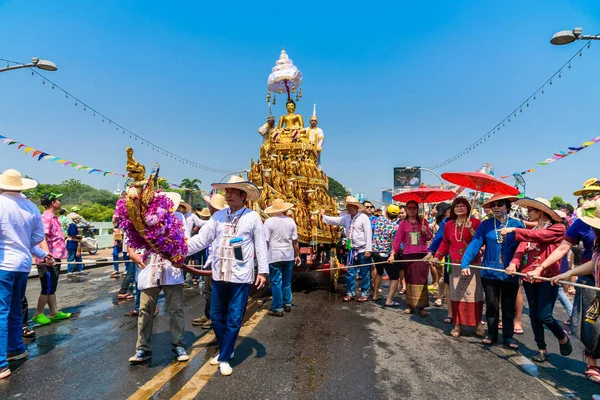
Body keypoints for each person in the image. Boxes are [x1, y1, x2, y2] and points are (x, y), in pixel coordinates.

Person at [186, 176, 268, 376]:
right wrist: (178, 251)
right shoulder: (218, 217)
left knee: (233, 318)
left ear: (243, 196)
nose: (228, 195)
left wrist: (263, 271)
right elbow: (201, 241)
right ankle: (227, 349)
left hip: (240, 277)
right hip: (219, 274)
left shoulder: (252, 217)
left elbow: (261, 245)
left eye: (232, 192)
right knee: (215, 316)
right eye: (226, 191)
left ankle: (223, 357)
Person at [501, 198, 571, 362]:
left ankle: (562, 337)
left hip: (548, 278)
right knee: (533, 315)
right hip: (528, 277)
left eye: (531, 210)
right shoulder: (528, 231)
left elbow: (540, 235)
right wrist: (513, 263)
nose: (528, 213)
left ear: (540, 212)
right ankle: (541, 348)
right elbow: (521, 249)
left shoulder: (558, 228)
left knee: (544, 315)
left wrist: (514, 229)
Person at [541, 179, 599, 374]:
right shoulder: (582, 223)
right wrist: (543, 267)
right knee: (591, 326)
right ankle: (592, 361)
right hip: (590, 280)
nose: (589, 199)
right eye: (586, 196)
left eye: (594, 194)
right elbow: (564, 249)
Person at [0, 169, 53, 379]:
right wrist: (43, 254)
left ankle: (1, 363)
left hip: (3, 264)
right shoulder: (30, 207)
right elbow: (34, 239)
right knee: (13, 308)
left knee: (2, 310)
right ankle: (16, 348)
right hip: (22, 265)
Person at [128, 192, 189, 364]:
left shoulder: (178, 217)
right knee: (145, 310)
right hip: (149, 268)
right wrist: (134, 255)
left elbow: (185, 241)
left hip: (171, 270)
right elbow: (130, 243)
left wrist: (177, 256)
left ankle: (178, 345)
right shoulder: (141, 218)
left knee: (176, 309)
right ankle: (142, 349)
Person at [461, 194, 524, 349]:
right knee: (491, 305)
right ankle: (492, 334)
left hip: (510, 273)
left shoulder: (517, 224)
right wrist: (465, 263)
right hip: (489, 272)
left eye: (499, 204)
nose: (496, 207)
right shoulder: (486, 225)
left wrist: (519, 266)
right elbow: (475, 244)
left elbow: (523, 248)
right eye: (493, 205)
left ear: (507, 207)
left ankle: (508, 337)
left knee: (508, 306)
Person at [432, 197, 484, 337]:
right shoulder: (449, 225)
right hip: (455, 264)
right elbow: (444, 244)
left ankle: (478, 324)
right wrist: (437, 256)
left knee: (475, 296)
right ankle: (457, 325)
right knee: (456, 295)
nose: (460, 207)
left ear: (468, 208)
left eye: (463, 205)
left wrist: (471, 230)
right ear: (453, 209)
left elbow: (480, 242)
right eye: (457, 206)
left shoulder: (476, 222)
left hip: (473, 265)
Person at [321, 196, 373, 303]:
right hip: (351, 249)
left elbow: (368, 234)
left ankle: (365, 293)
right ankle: (350, 293)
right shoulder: (346, 218)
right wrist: (323, 216)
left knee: (365, 272)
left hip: (362, 249)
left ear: (356, 207)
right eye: (347, 206)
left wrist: (368, 249)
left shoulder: (364, 218)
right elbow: (334, 220)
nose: (348, 208)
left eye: (350, 206)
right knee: (350, 272)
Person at [32, 193, 72, 325]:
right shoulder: (46, 218)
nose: (60, 202)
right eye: (58, 200)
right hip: (48, 259)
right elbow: (41, 237)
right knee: (47, 287)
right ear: (53, 203)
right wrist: (47, 254)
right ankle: (38, 313)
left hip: (55, 257)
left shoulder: (54, 218)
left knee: (52, 286)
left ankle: (54, 311)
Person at [390, 200, 432, 315]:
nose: (412, 210)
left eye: (414, 208)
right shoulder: (403, 223)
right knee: (410, 279)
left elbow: (429, 237)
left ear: (418, 209)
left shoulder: (424, 222)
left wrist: (425, 232)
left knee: (422, 281)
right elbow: (398, 240)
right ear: (407, 210)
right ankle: (410, 305)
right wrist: (393, 253)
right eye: (409, 208)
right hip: (408, 255)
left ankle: (422, 307)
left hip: (422, 255)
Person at [192, 194, 227, 329]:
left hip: (217, 263)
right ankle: (208, 315)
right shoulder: (213, 221)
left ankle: (215, 318)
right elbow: (201, 240)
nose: (209, 208)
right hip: (210, 262)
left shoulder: (221, 221)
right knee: (208, 291)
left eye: (210, 206)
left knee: (215, 293)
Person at [263, 198, 301, 317]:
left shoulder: (268, 222)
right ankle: (287, 303)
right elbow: (295, 241)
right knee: (286, 281)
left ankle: (278, 308)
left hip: (274, 255)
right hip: (288, 255)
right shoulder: (290, 221)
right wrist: (297, 255)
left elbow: (266, 241)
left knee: (276, 282)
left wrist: (264, 257)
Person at [372, 205, 401, 306]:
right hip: (387, 254)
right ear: (396, 216)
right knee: (395, 277)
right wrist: (393, 254)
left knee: (379, 273)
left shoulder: (378, 220)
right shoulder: (395, 227)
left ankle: (375, 295)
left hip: (375, 252)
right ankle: (389, 300)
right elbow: (394, 243)